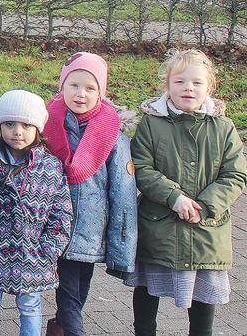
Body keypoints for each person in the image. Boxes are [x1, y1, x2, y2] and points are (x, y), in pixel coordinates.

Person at [126, 50, 246, 336]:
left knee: (202, 302)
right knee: (147, 295)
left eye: (196, 83)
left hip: (206, 229)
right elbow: (141, 168)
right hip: (159, 227)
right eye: (179, 82)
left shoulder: (224, 128)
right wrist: (175, 198)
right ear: (167, 85)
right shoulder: (151, 124)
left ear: (210, 87)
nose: (188, 88)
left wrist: (204, 206)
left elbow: (235, 174)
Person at [40, 52, 137, 336]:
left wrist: (121, 246)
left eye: (90, 88)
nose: (81, 94)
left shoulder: (113, 135)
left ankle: (58, 329)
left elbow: (123, 193)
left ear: (101, 93)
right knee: (69, 297)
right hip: (57, 228)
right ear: (62, 86)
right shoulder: (46, 125)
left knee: (78, 294)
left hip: (92, 231)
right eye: (74, 85)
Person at [0, 90, 73, 336]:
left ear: (37, 128)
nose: (18, 131)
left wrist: (51, 247)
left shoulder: (50, 167)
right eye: (10, 124)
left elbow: (61, 211)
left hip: (33, 252)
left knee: (31, 306)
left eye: (26, 125)